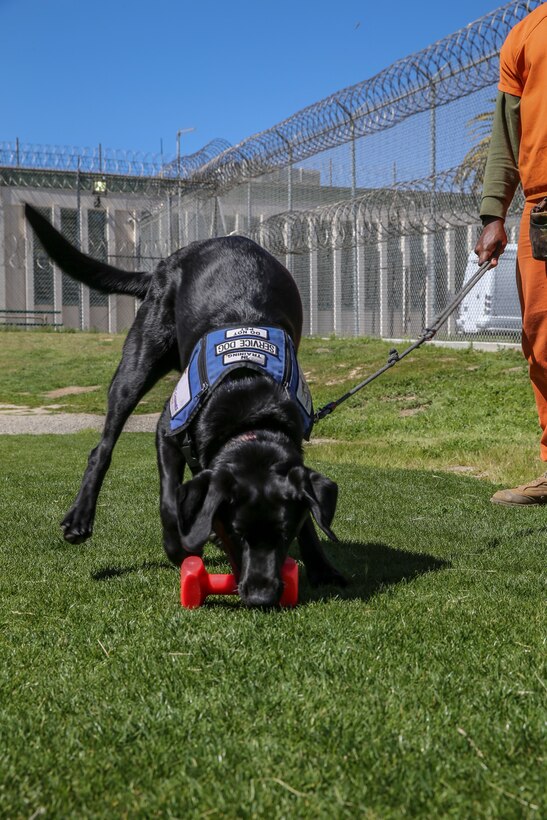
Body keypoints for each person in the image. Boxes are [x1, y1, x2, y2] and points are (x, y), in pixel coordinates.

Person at [475, 2, 547, 506]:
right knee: (542, 342)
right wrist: (493, 214)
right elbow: (506, 134)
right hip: (543, 208)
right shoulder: (524, 35)